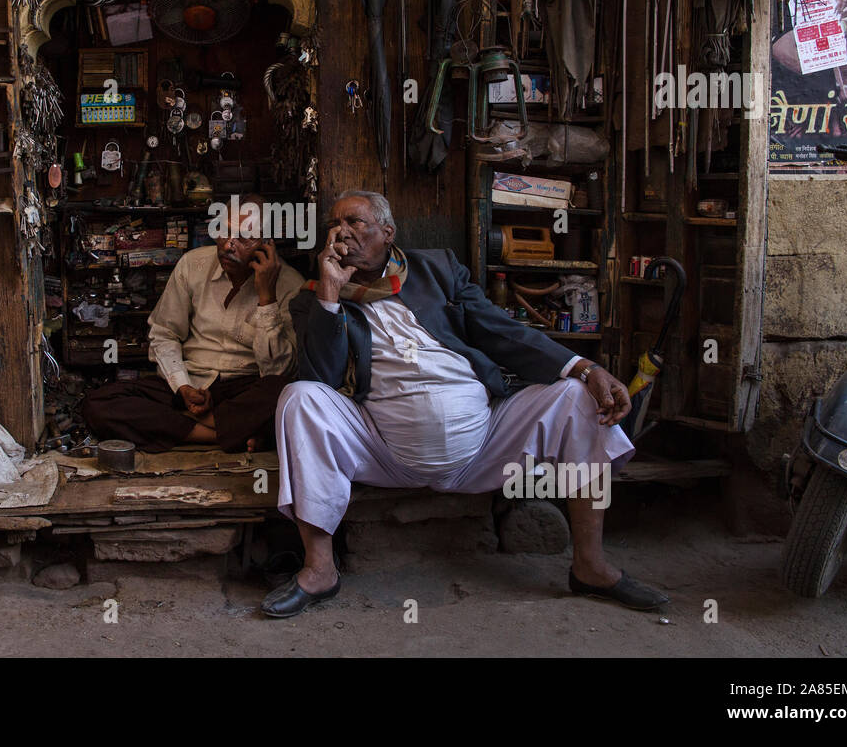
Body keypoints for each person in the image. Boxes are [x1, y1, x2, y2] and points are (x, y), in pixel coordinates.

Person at [261, 190, 669, 618]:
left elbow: (498, 330)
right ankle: (320, 570)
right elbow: (322, 377)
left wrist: (585, 368)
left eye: (356, 222)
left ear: (388, 232)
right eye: (334, 224)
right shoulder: (313, 299)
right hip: (382, 448)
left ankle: (590, 565)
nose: (342, 232)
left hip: (485, 441)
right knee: (300, 398)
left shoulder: (436, 268)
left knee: (576, 395)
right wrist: (330, 292)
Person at [82, 196, 304, 453]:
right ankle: (220, 433)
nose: (228, 245)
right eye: (224, 231)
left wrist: (267, 299)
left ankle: (189, 427)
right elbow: (164, 333)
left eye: (243, 237)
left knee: (286, 391)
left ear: (267, 244)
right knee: (99, 403)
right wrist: (183, 386)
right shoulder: (193, 264)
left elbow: (276, 370)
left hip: (247, 390)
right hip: (193, 384)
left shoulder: (290, 286)